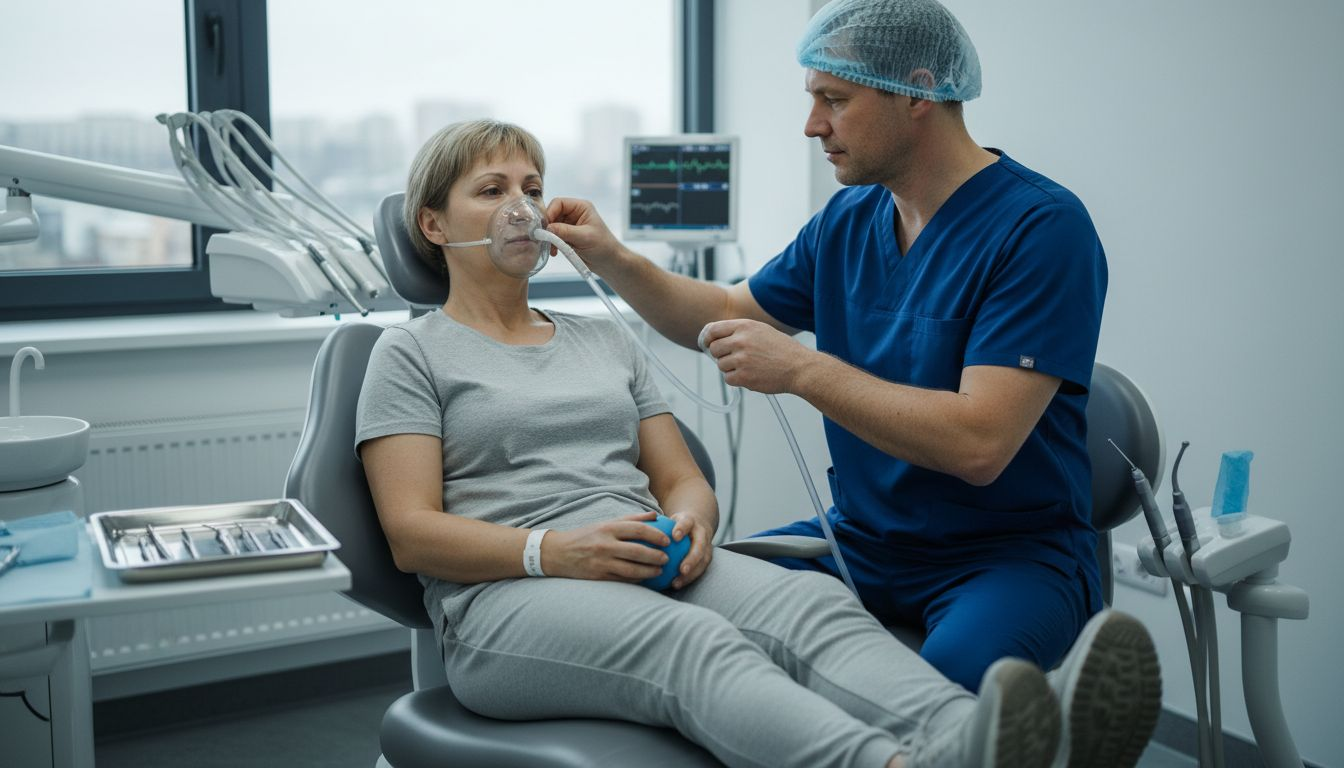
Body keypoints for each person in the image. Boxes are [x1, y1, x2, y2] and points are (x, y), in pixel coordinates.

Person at [353, 118, 1098, 768]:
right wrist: (556, 551)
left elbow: (682, 478)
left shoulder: (604, 340)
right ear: (434, 226)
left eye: (533, 185)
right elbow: (412, 535)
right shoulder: (412, 354)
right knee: (695, 647)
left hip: (642, 558)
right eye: (491, 191)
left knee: (812, 607)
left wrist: (692, 525)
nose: (522, 207)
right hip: (508, 598)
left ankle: (988, 742)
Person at [543, 0, 1160, 766]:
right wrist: (612, 257)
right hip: (859, 540)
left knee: (939, 700)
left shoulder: (1041, 230)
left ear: (917, 91)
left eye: (834, 100)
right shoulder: (849, 221)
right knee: (688, 606)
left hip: (1005, 557)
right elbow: (729, 311)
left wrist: (802, 370)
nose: (812, 125)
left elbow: (979, 444)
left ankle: (1052, 741)